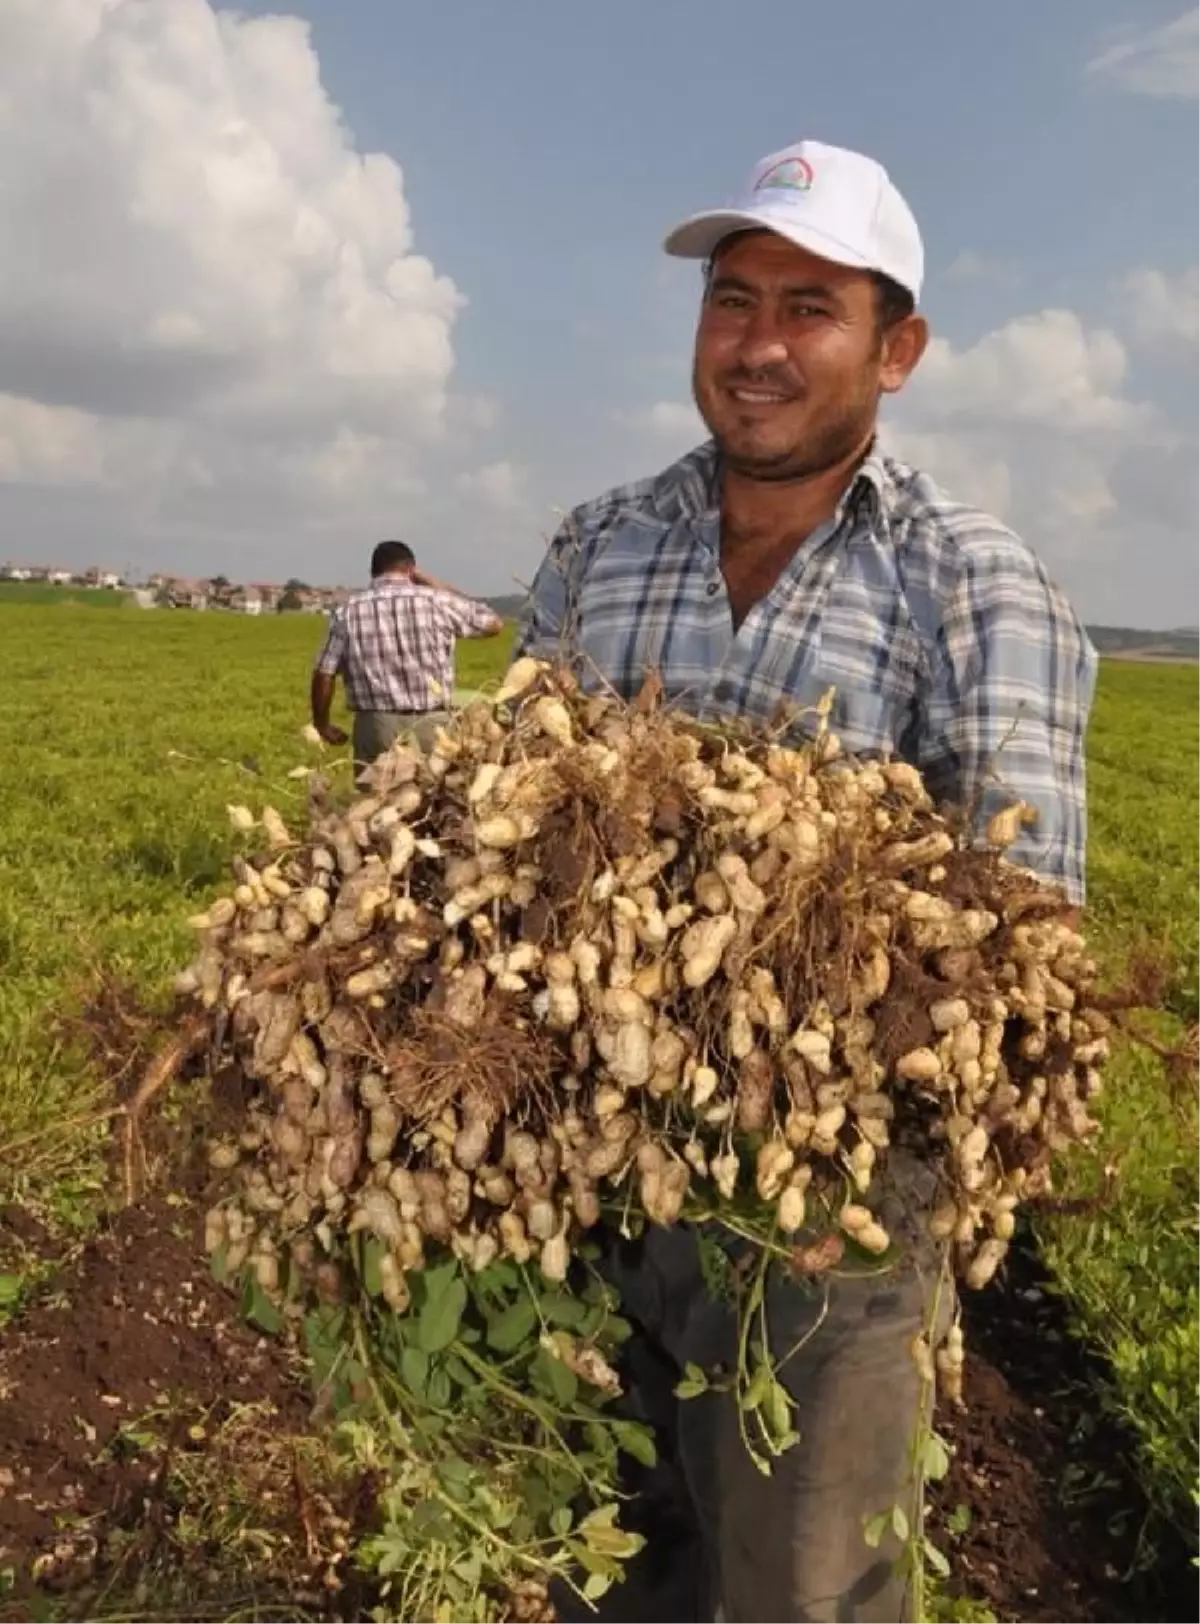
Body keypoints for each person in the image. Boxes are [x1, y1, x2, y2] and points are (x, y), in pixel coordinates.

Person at [516, 139, 1096, 1623]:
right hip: (585, 1172)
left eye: (809, 308)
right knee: (596, 1550)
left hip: (827, 1208)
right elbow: (508, 822)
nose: (758, 345)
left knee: (807, 1585)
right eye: (732, 301)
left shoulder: (973, 579)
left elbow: (1024, 938)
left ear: (896, 351)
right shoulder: (600, 544)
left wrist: (859, 1159)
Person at [310, 539, 502, 776]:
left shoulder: (347, 611)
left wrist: (322, 723)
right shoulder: (436, 600)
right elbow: (493, 624)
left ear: (373, 572)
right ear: (411, 570)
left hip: (376, 727)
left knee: (376, 806)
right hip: (433, 727)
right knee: (436, 804)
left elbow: (324, 672)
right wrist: (433, 583)